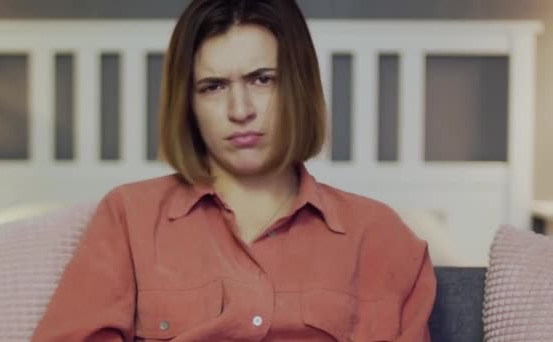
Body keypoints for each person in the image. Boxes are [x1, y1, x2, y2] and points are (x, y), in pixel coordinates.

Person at [32, 0, 436, 341]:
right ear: (187, 102)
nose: (239, 110)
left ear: (298, 85)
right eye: (213, 86)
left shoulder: (384, 239)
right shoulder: (128, 217)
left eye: (262, 80)